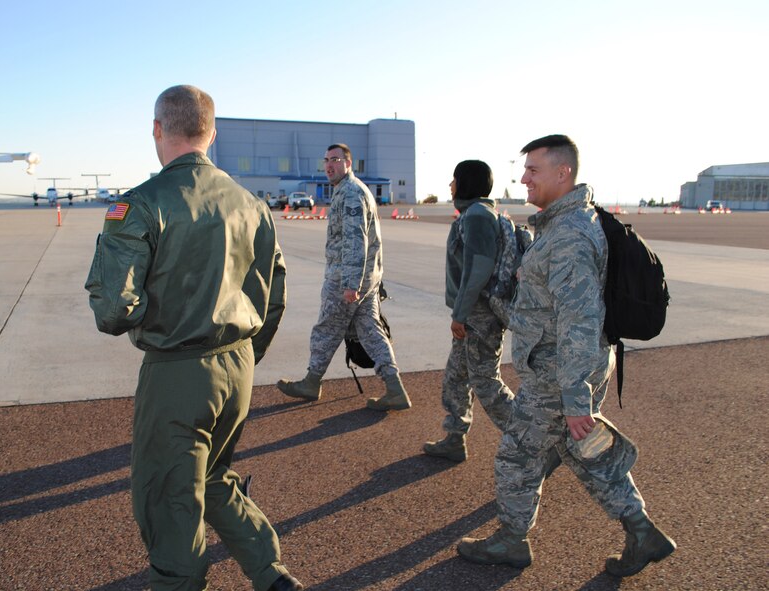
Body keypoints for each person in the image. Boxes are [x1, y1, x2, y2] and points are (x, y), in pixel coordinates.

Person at [85, 85, 303, 591]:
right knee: (214, 475)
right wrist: (244, 354)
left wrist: (157, 322)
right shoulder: (251, 204)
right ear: (212, 133)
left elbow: (113, 310)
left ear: (157, 129)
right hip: (238, 366)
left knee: (169, 496)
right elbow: (272, 296)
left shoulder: (141, 204)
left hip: (178, 372)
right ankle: (270, 572)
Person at [457, 135, 675, 577]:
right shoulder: (562, 225)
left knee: (517, 456)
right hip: (567, 365)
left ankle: (511, 541)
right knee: (581, 451)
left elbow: (580, 318)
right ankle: (641, 531)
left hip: (560, 371)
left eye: (533, 170)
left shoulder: (570, 234)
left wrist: (576, 398)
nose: (524, 178)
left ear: (563, 173)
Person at [276, 143, 411, 411]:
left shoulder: (350, 193)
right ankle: (395, 388)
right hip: (366, 278)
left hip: (347, 279)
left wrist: (351, 284)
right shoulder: (352, 190)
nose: (329, 165)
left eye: (336, 160)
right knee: (371, 332)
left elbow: (355, 240)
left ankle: (311, 382)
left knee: (327, 328)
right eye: (326, 160)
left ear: (348, 163)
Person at [422, 160, 515, 462]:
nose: (450, 185)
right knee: (456, 377)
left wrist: (460, 314)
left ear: (466, 182)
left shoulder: (477, 216)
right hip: (472, 314)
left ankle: (534, 439)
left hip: (479, 316)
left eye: (454, 179)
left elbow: (478, 268)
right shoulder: (474, 214)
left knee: (485, 382)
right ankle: (454, 438)